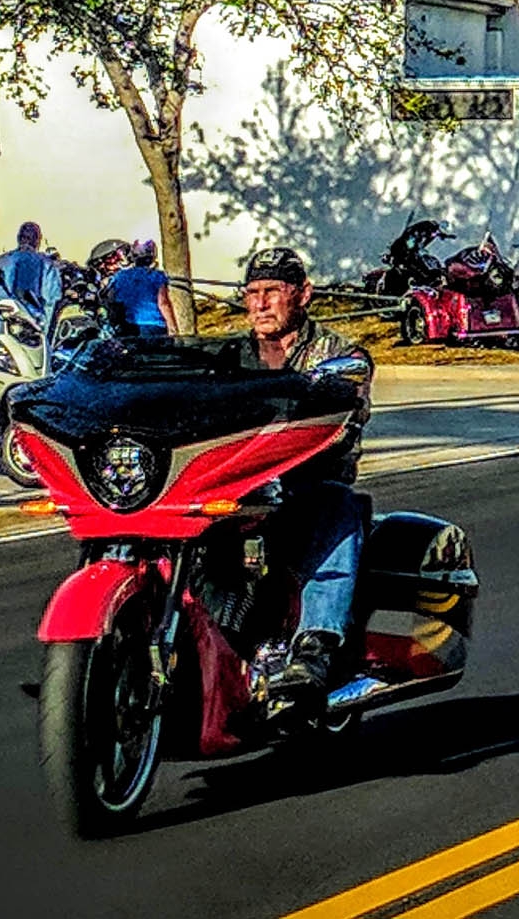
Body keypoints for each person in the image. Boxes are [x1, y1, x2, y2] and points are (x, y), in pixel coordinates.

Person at [233, 246, 373, 712]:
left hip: (305, 485)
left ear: (303, 295)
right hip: (237, 487)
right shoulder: (232, 355)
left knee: (337, 507)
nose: (260, 304)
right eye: (252, 293)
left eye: (273, 291)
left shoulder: (340, 354)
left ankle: (315, 646)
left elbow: (345, 417)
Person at [0, 221, 64, 343]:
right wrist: (44, 336)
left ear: (18, 238)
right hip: (33, 331)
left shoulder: (1, 261)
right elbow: (51, 301)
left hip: (2, 333)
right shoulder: (47, 264)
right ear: (38, 240)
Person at [101, 237, 177, 337]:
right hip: (155, 326)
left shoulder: (120, 276)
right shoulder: (157, 276)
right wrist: (172, 328)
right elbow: (163, 303)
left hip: (129, 326)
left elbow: (110, 299)